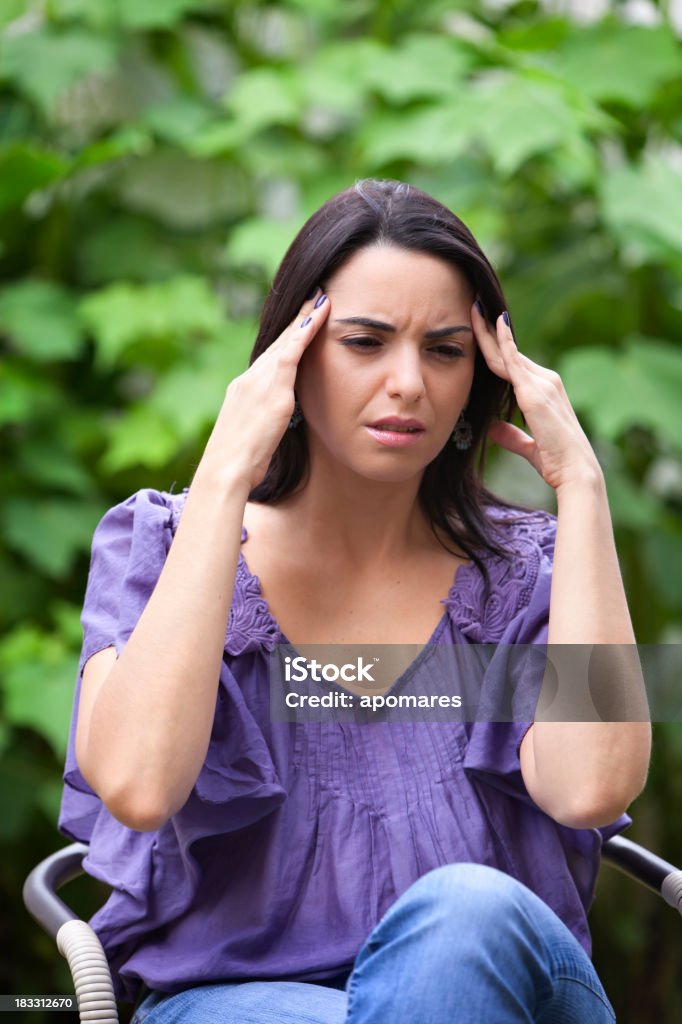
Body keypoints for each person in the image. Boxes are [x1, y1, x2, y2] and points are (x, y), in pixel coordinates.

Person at [59, 178, 651, 1023]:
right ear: (290, 362)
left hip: (506, 988)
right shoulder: (156, 545)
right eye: (366, 341)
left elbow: (591, 788)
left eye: (445, 350)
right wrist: (227, 471)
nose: (408, 382)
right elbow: (140, 788)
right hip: (240, 1004)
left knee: (465, 914)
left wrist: (582, 488)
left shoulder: (530, 569)